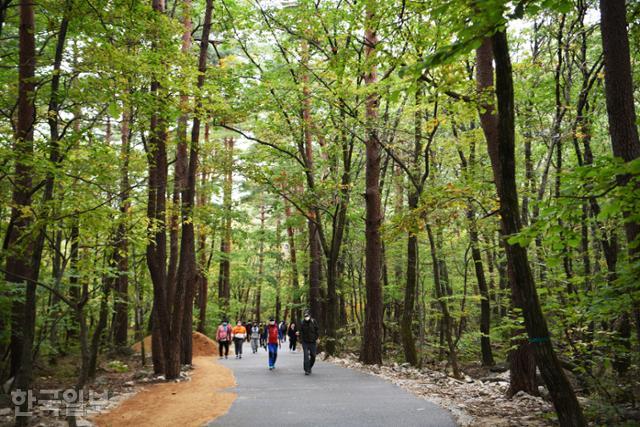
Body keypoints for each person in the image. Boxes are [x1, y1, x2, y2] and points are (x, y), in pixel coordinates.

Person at [298, 310, 319, 375]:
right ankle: (306, 370)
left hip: (313, 342)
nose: (306, 317)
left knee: (313, 356)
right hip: (305, 342)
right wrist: (300, 340)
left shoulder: (313, 321)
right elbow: (300, 332)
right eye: (305, 316)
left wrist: (317, 338)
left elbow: (317, 330)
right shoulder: (302, 322)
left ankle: (309, 367)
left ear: (310, 316)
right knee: (306, 355)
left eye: (307, 316)